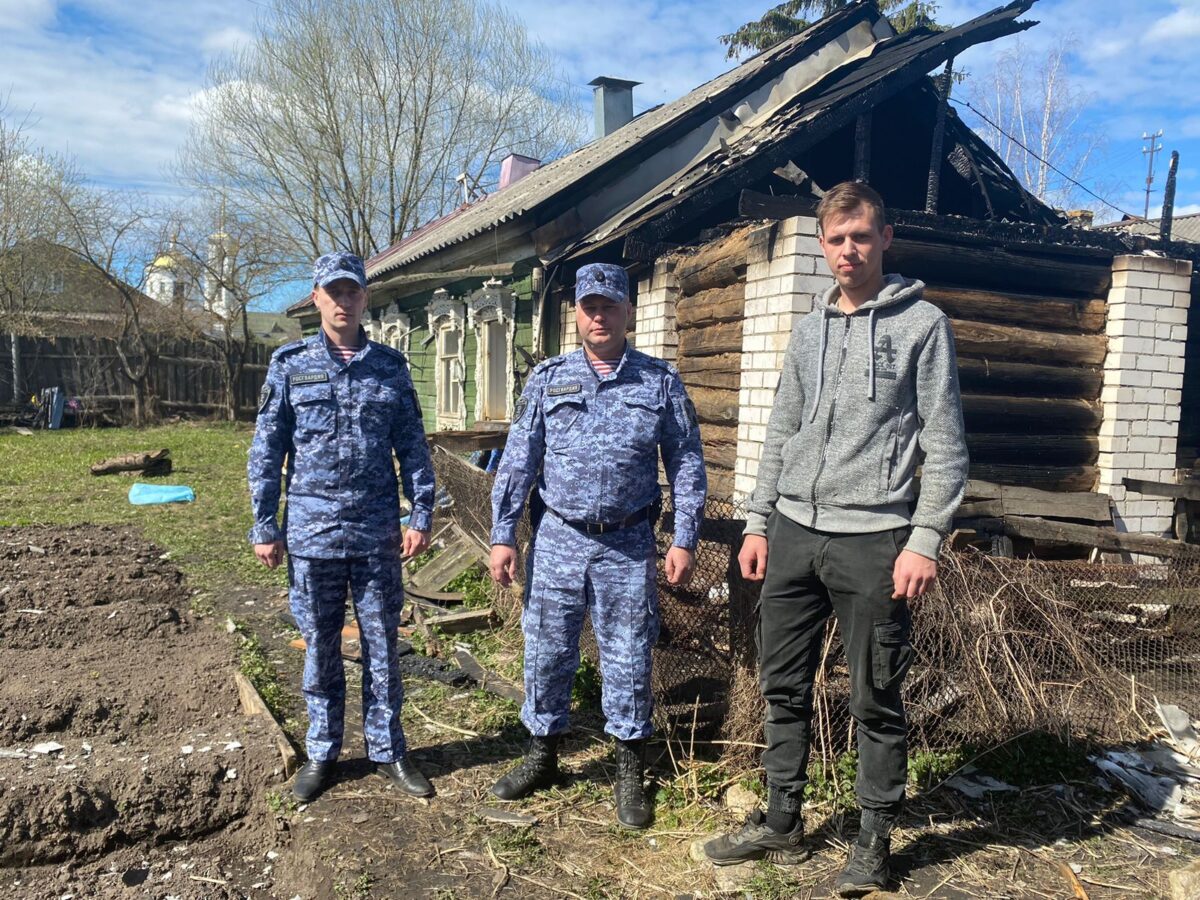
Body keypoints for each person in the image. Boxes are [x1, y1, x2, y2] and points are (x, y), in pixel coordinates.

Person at [703, 182, 968, 896]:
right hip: (793, 531)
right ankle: (783, 822)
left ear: (886, 240)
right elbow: (780, 429)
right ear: (821, 246)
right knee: (781, 684)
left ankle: (874, 840)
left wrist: (924, 539)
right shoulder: (808, 329)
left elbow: (945, 447)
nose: (847, 250)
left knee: (875, 694)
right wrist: (759, 522)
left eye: (860, 237)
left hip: (875, 539)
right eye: (835, 239)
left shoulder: (924, 326)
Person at [488, 262, 707, 829]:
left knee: (629, 655)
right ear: (576, 313)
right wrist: (503, 533)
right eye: (589, 306)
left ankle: (629, 770)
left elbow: (685, 462)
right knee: (546, 648)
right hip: (559, 535)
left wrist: (684, 537)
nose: (599, 315)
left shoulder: (659, 382)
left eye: (609, 305)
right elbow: (518, 461)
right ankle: (543, 756)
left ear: (627, 311)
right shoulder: (547, 379)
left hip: (629, 543)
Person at [248, 251, 436, 803]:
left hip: (378, 534)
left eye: (352, 291)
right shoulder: (289, 365)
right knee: (320, 648)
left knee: (382, 645)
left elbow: (414, 449)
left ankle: (389, 750)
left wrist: (421, 513)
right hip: (312, 536)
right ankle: (322, 752)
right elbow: (268, 451)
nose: (342, 301)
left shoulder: (391, 368)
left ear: (364, 299)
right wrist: (264, 523)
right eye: (332, 292)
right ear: (316, 298)